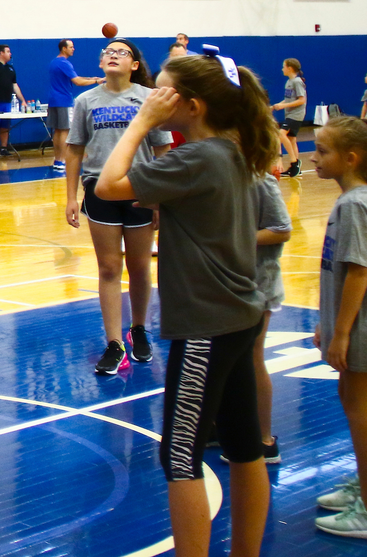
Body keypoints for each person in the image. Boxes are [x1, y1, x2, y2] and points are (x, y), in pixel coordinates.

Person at [95, 48, 277, 557]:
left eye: (165, 90)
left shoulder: (196, 157)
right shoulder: (231, 149)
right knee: (245, 448)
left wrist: (141, 121)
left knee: (179, 455)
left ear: (192, 105)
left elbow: (109, 185)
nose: (155, 95)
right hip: (242, 315)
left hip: (207, 325)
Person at [65, 39, 171, 375]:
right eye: (107, 53)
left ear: (135, 64)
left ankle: (138, 329)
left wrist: (161, 198)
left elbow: (162, 151)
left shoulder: (148, 99)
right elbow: (74, 151)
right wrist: (71, 196)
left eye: (121, 52)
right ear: (100, 64)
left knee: (140, 267)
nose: (112, 55)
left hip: (141, 188)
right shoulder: (85, 101)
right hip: (99, 189)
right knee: (109, 269)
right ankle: (114, 343)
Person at [310, 116, 367, 536]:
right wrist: (325, 323)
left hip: (361, 330)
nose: (314, 156)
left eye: (324, 151)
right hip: (349, 327)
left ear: (351, 158)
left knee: (361, 411)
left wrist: (343, 333)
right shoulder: (349, 200)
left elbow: (359, 272)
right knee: (351, 402)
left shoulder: (356, 204)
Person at [219, 167, 290, 465]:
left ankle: (264, 440)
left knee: (252, 357)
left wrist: (235, 237)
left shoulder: (261, 180)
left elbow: (281, 229)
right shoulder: (221, 175)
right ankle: (218, 426)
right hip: (227, 282)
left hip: (258, 284)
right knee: (222, 358)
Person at [46, 39, 100, 173]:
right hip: (64, 100)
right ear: (64, 48)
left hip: (53, 100)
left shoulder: (54, 62)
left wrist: (89, 78)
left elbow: (74, 77)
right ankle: (62, 160)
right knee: (65, 130)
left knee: (58, 131)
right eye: (71, 47)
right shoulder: (65, 63)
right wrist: (95, 81)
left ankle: (57, 160)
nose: (73, 49)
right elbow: (77, 82)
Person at [271, 58, 307, 178]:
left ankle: (294, 163)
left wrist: (284, 105)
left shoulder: (297, 82)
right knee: (291, 139)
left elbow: (302, 100)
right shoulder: (289, 82)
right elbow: (289, 99)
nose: (282, 69)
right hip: (290, 114)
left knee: (281, 134)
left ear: (290, 68)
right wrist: (277, 106)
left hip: (296, 115)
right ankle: (295, 168)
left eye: (284, 66)